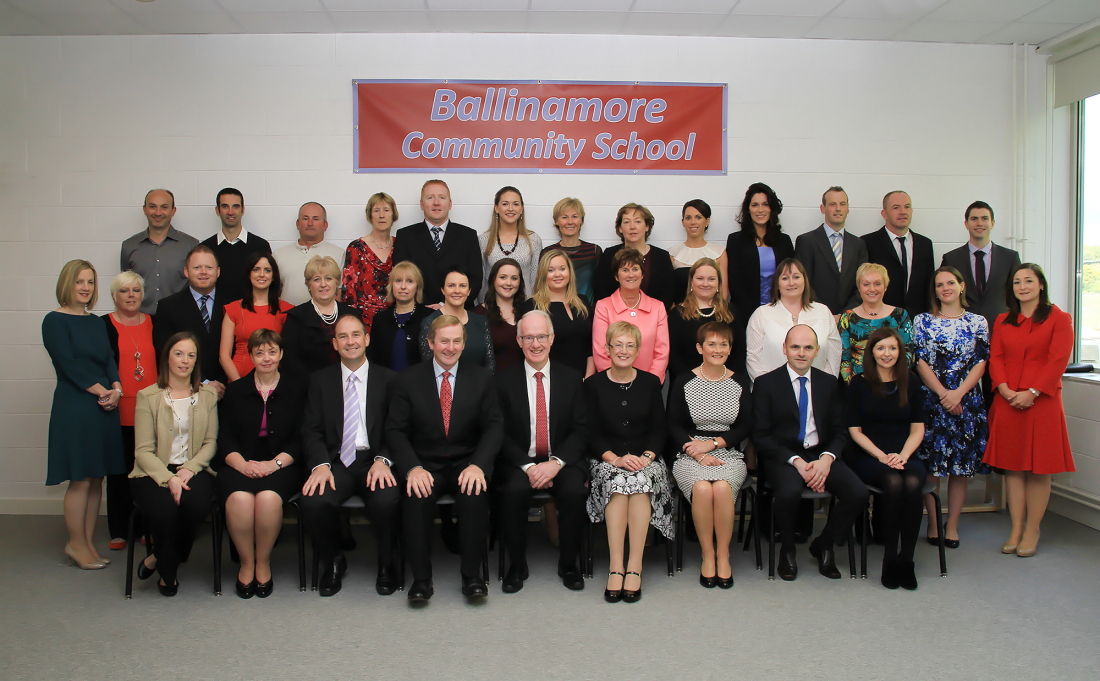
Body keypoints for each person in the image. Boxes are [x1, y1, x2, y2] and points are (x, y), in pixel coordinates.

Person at [387, 315, 505, 602]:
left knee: (474, 496)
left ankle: (472, 577)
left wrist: (479, 465)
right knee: (416, 498)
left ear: (463, 344)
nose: (450, 348)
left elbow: (494, 427)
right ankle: (421, 581)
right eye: (443, 341)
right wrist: (412, 468)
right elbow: (395, 430)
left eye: (456, 341)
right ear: (430, 343)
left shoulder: (482, 378)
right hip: (425, 464)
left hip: (467, 463)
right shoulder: (407, 380)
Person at [752, 325, 868, 581]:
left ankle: (824, 544)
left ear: (817, 350)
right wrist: (796, 462)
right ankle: (788, 550)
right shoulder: (765, 384)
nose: (801, 353)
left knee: (858, 493)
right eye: (795, 347)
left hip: (821, 454)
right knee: (789, 491)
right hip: (784, 457)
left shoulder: (829, 383)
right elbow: (760, 435)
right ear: (784, 349)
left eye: (807, 347)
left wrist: (827, 459)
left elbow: (840, 431)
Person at [299, 314, 400, 597]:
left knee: (387, 499)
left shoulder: (390, 380)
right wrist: (320, 465)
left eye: (356, 335)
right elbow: (311, 429)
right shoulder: (320, 381)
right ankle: (332, 561)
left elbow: (399, 428)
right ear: (334, 343)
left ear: (366, 339)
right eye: (342, 336)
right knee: (314, 500)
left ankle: (387, 564)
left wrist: (384, 460)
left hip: (375, 461)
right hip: (336, 463)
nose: (350, 341)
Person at [983, 264, 1075, 557]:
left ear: (1041, 285)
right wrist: (1004, 388)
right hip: (1008, 399)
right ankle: (1015, 528)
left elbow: (1058, 360)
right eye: (1017, 282)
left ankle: (1032, 529)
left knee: (1039, 469)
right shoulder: (1003, 320)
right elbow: (995, 357)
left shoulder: (1059, 318)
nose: (1022, 287)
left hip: (1042, 401)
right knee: (1013, 467)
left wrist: (1033, 391)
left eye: (1028, 281)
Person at [495, 310, 589, 593]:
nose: (535, 344)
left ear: (552, 339)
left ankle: (569, 564)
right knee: (513, 491)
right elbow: (498, 432)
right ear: (519, 341)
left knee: (574, 491)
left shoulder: (571, 378)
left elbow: (582, 430)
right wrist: (529, 467)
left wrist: (555, 464)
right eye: (528, 338)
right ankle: (517, 565)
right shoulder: (502, 381)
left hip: (561, 459)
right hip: (520, 461)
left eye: (541, 337)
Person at [43, 260, 125, 569]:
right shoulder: (54, 321)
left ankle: (88, 543)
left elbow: (109, 359)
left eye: (90, 282)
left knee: (95, 477)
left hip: (103, 406)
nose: (85, 287)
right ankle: (75, 543)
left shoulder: (95, 322)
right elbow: (68, 365)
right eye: (79, 281)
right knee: (79, 478)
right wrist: (101, 391)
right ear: (67, 284)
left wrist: (116, 387)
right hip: (76, 405)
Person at [585, 321, 672, 603]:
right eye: (618, 345)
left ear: (638, 350)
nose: (623, 350)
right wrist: (614, 459)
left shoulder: (650, 382)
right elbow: (589, 432)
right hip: (607, 459)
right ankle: (616, 567)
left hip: (646, 460)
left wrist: (647, 457)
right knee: (618, 485)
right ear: (607, 348)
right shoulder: (593, 384)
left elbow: (659, 429)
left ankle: (634, 566)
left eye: (630, 345)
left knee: (640, 482)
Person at [216, 330, 304, 599]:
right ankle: (246, 563)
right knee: (240, 499)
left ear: (281, 354)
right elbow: (224, 438)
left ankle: (263, 562)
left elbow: (302, 438)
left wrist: (273, 465)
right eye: (259, 353)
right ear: (251, 356)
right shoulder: (235, 390)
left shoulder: (297, 389)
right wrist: (242, 465)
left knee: (267, 498)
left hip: (282, 465)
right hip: (240, 463)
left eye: (272, 352)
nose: (266, 358)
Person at [129, 332, 219, 596]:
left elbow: (211, 442)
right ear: (167, 358)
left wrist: (190, 468)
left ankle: (157, 557)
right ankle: (168, 575)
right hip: (153, 471)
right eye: (178, 354)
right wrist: (169, 479)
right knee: (165, 512)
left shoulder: (207, 395)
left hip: (194, 468)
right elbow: (143, 451)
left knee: (196, 505)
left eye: (191, 355)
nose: (184, 360)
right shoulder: (148, 396)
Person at [669, 322, 752, 589]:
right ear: (699, 348)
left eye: (723, 344)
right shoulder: (684, 380)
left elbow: (746, 426)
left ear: (730, 348)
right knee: (703, 489)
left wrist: (713, 444)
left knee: (722, 488)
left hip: (728, 452)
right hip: (690, 452)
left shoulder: (740, 381)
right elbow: (673, 425)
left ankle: (723, 554)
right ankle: (707, 554)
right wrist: (698, 452)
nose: (718, 349)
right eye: (711, 344)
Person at [913, 267, 990, 548]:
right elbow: (919, 361)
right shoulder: (922, 321)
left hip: (966, 401)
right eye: (939, 284)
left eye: (950, 283)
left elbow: (981, 362)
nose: (945, 288)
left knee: (960, 467)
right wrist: (944, 394)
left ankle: (953, 524)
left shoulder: (978, 322)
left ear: (961, 286)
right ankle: (934, 522)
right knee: (931, 466)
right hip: (932, 400)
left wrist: (958, 395)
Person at [846, 328, 927, 590]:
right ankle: (889, 559)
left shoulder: (911, 381)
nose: (886, 353)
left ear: (900, 352)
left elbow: (918, 429)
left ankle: (907, 560)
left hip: (905, 452)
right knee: (893, 482)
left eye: (892, 348)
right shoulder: (858, 383)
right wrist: (882, 456)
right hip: (870, 454)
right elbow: (855, 431)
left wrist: (902, 455)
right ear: (871, 353)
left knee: (912, 483)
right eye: (880, 348)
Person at [101, 271, 158, 551]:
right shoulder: (103, 325)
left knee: (148, 471)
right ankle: (119, 530)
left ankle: (147, 527)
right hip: (118, 408)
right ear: (114, 296)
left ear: (142, 295)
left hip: (151, 409)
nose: (131, 296)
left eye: (136, 290)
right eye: (124, 291)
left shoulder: (154, 323)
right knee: (119, 470)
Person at [746, 258, 841, 381]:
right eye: (785, 278)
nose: (791, 283)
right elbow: (753, 359)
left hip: (818, 388)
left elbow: (834, 355)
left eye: (796, 277)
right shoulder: (761, 314)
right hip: (772, 389)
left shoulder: (823, 312)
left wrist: (823, 386)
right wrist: (769, 388)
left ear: (805, 280)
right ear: (777, 284)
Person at [392, 179, 483, 307]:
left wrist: (446, 306)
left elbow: (475, 279)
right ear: (422, 204)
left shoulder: (468, 235)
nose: (436, 203)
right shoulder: (405, 236)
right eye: (430, 198)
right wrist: (423, 308)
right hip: (418, 312)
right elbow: (401, 278)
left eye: (442, 197)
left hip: (458, 311)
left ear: (450, 204)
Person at [152, 244, 228, 394]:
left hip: (227, 389)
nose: (203, 272)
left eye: (209, 267)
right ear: (186, 271)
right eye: (197, 267)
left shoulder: (234, 303)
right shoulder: (168, 306)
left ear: (218, 271)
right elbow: (164, 352)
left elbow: (238, 349)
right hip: (186, 390)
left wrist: (222, 382)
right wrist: (204, 383)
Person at [725, 182, 795, 332]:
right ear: (748, 209)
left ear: (772, 208)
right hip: (745, 314)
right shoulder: (735, 240)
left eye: (765, 204)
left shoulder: (784, 241)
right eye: (755, 205)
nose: (760, 210)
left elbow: (791, 278)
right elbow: (734, 282)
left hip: (781, 312)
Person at [940, 201, 1022, 329]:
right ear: (966, 224)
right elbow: (942, 296)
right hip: (963, 330)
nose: (979, 223)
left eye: (984, 218)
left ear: (992, 223)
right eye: (974, 219)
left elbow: (1018, 295)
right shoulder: (951, 259)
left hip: (1001, 328)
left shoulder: (1010, 258)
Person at [592, 248, 669, 381]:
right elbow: (601, 351)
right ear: (616, 276)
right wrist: (614, 383)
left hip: (648, 385)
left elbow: (662, 352)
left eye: (635, 269)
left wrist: (650, 383)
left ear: (642, 274)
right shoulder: (603, 306)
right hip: (612, 384)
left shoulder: (658, 307)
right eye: (625, 270)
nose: (631, 274)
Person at [794, 186, 868, 319]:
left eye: (842, 204)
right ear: (822, 208)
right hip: (815, 316)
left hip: (850, 318)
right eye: (832, 204)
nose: (838, 208)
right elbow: (803, 282)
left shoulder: (858, 245)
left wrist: (844, 315)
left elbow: (863, 283)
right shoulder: (806, 242)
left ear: (848, 209)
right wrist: (825, 314)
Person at [121, 189, 199, 314]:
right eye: (152, 206)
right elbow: (125, 287)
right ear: (144, 209)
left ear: (173, 211)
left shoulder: (190, 245)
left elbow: (197, 286)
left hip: (179, 318)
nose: (158, 212)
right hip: (140, 319)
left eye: (164, 207)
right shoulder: (129, 246)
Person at [219, 252, 293, 382]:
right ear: (249, 274)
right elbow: (224, 356)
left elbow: (292, 354)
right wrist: (239, 384)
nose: (262, 274)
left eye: (267, 270)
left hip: (276, 384)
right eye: (256, 269)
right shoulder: (233, 309)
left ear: (273, 276)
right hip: (239, 380)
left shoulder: (287, 310)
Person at [281, 255, 358, 378]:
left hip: (348, 384)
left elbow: (361, 355)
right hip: (307, 385)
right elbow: (289, 361)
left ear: (337, 282)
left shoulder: (352, 315)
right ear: (309, 285)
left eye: (328, 278)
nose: (323, 284)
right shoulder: (296, 317)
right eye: (316, 279)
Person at [862, 191, 936, 318]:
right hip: (881, 319)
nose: (903, 212)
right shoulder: (868, 243)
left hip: (918, 318)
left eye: (907, 207)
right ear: (884, 213)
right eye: (896, 207)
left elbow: (929, 285)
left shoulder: (925, 244)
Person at [667, 258, 742, 382]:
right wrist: (697, 383)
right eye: (700, 278)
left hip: (726, 384)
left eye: (711, 279)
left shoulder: (732, 312)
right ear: (691, 282)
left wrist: (725, 381)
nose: (705, 284)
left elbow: (739, 353)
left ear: (719, 283)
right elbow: (674, 356)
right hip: (687, 385)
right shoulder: (678, 314)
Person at [838, 263, 915, 384]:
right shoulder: (847, 318)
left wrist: (892, 383)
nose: (872, 289)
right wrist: (856, 386)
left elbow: (908, 354)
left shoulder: (900, 315)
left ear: (885, 286)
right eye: (866, 284)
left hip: (895, 385)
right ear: (859, 287)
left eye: (877, 284)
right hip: (859, 387)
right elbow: (844, 359)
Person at [523, 249, 594, 376]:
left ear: (569, 271)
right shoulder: (532, 306)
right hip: (551, 379)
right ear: (543, 274)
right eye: (551, 270)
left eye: (562, 269)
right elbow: (529, 350)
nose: (557, 274)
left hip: (584, 378)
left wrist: (588, 378)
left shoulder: (582, 302)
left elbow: (591, 346)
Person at [592, 203, 676, 308]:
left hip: (653, 315)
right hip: (614, 316)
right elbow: (601, 291)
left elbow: (668, 294)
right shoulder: (609, 255)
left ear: (647, 226)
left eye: (638, 221)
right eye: (627, 222)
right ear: (620, 228)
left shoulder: (661, 257)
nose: (632, 227)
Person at [200, 188, 271, 305]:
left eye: (236, 207)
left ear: (242, 210)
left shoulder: (260, 245)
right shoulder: (206, 248)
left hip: (251, 311)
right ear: (217, 210)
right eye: (225, 206)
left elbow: (270, 284)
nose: (230, 212)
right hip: (216, 312)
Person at [418, 269, 495, 372]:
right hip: (444, 381)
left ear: (469, 291)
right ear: (443, 290)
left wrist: (484, 381)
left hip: (479, 381)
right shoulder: (430, 322)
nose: (457, 291)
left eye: (462, 286)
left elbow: (489, 363)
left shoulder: (481, 321)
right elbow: (429, 365)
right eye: (451, 286)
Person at [271, 202, 345, 306]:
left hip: (325, 315)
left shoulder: (339, 254)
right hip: (287, 314)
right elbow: (272, 291)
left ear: (325, 225)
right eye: (305, 218)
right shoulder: (278, 254)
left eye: (316, 219)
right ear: (297, 224)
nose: (310, 223)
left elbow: (340, 292)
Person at [342, 192, 397, 329]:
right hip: (363, 322)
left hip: (396, 320)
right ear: (370, 215)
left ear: (393, 215)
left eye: (386, 210)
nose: (381, 215)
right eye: (376, 210)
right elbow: (349, 293)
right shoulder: (356, 248)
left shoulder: (401, 245)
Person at [367, 260, 434, 372]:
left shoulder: (429, 318)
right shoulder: (380, 320)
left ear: (417, 287)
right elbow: (373, 359)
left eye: (409, 281)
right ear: (391, 285)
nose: (403, 286)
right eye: (398, 281)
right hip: (386, 381)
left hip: (419, 381)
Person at [478, 186, 542, 300]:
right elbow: (481, 280)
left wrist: (533, 306)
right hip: (492, 306)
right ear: (496, 208)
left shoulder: (533, 240)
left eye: (516, 204)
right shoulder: (484, 240)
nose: (510, 208)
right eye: (505, 204)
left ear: (521, 209)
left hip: (524, 305)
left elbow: (536, 280)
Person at [540, 197, 602, 302]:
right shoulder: (548, 252)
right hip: (555, 309)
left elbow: (600, 287)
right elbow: (542, 287)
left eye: (575, 217)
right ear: (556, 221)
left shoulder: (594, 251)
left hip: (587, 310)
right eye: (564, 217)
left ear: (581, 220)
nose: (570, 222)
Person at [473, 258, 526, 372]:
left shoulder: (528, 311)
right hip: (493, 380)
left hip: (526, 380)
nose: (508, 283)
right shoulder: (477, 315)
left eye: (514, 278)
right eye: (503, 277)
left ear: (520, 282)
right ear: (493, 280)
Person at [670, 199, 728, 302]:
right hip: (681, 310)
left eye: (698, 217)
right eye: (688, 218)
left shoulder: (719, 253)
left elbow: (723, 294)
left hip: (712, 310)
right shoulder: (672, 254)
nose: (693, 222)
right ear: (683, 222)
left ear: (707, 221)